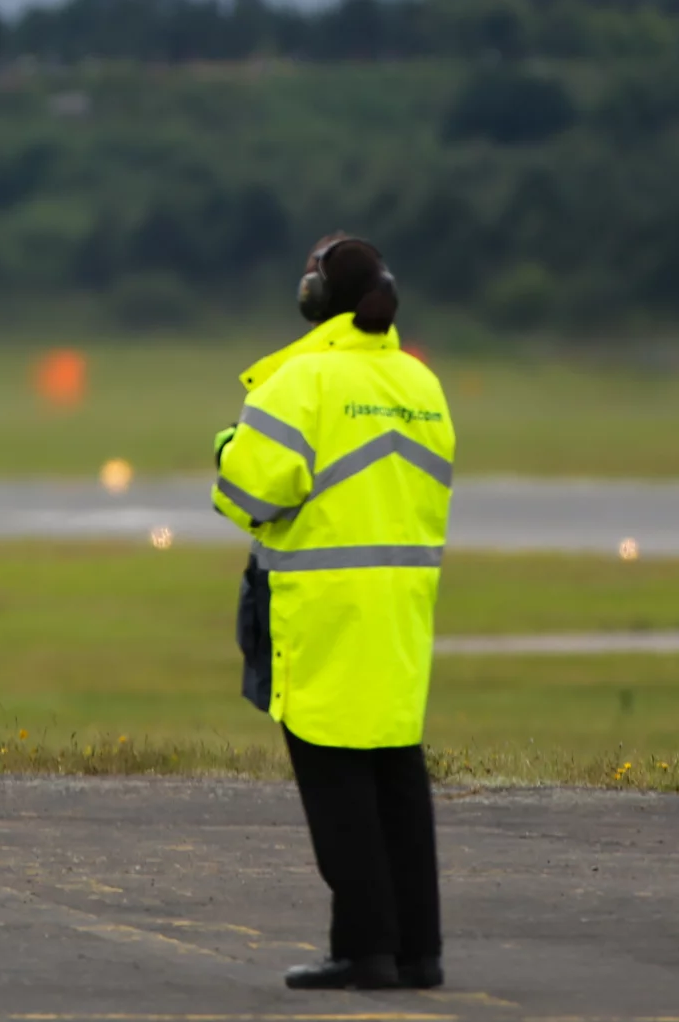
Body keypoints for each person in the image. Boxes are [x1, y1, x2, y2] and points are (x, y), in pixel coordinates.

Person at [211, 233, 454, 992]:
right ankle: (419, 952)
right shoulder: (422, 383)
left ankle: (364, 949)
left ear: (315, 299)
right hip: (402, 607)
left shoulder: (301, 383)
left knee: (336, 783)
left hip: (323, 611)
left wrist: (227, 444)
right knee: (397, 777)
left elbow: (250, 495)